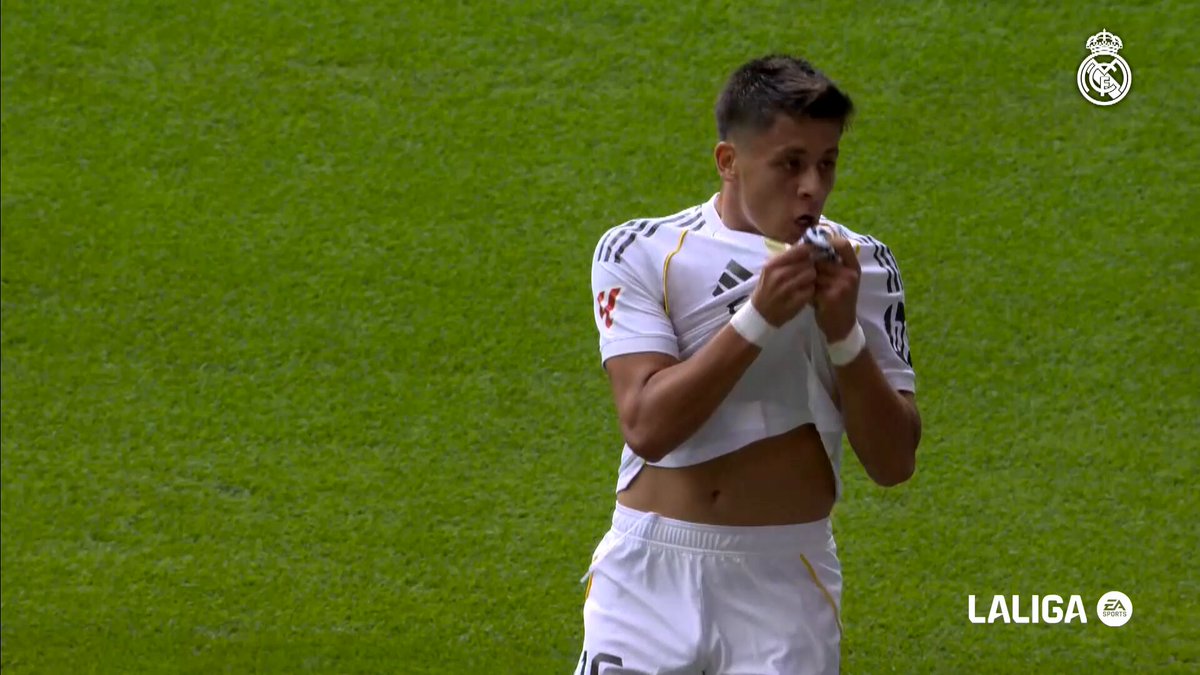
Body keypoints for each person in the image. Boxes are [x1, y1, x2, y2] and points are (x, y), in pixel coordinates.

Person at [574, 54, 922, 675]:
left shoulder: (862, 265)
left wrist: (843, 334)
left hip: (783, 584)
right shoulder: (640, 249)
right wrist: (758, 317)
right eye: (791, 163)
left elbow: (894, 463)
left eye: (827, 163)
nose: (812, 186)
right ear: (728, 161)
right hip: (648, 575)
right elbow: (647, 425)